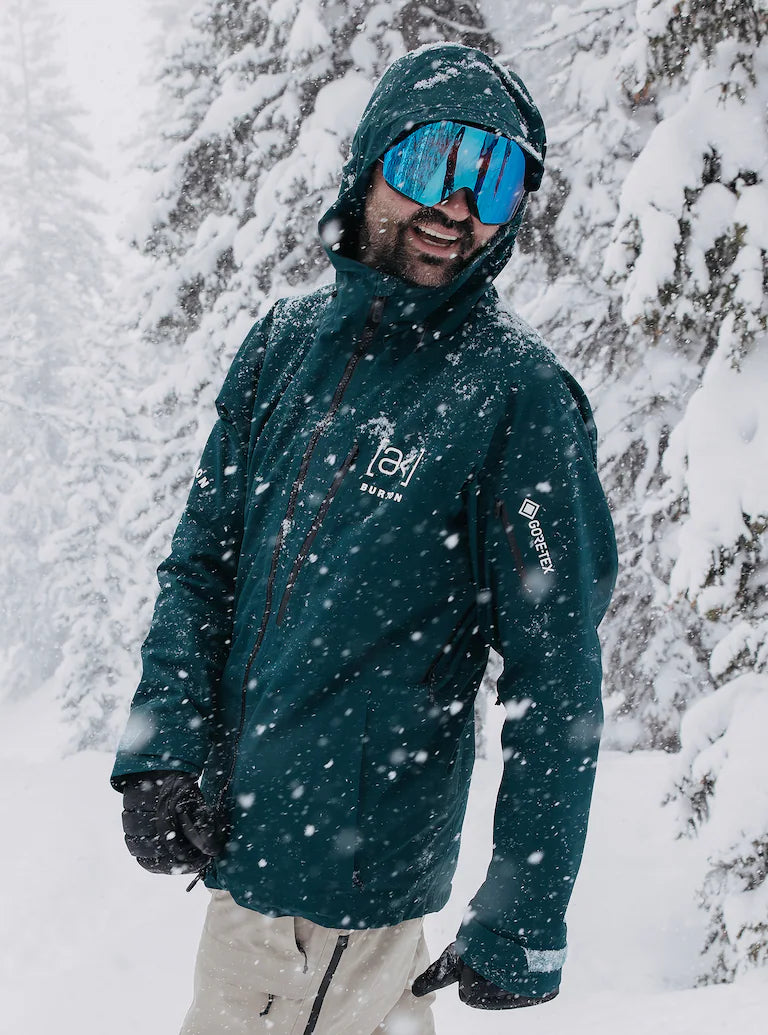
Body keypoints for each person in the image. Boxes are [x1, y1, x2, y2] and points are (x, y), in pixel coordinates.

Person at [112, 42, 618, 1034]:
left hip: (344, 895)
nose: (459, 208)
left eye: (496, 181)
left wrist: (523, 914)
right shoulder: (282, 347)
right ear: (373, 160)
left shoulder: (514, 395)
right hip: (248, 870)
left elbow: (557, 675)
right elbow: (203, 565)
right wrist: (161, 751)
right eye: (434, 164)